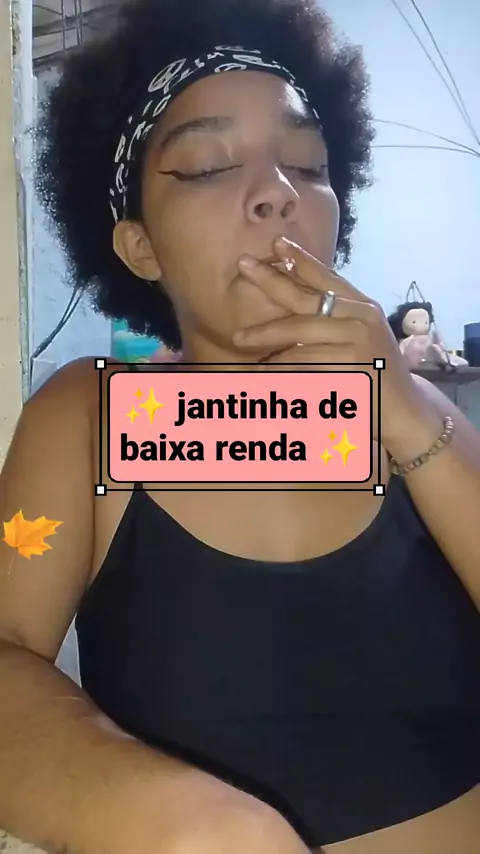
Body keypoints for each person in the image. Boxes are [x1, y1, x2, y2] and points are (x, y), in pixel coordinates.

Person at [1, 0, 479, 852]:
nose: (278, 195)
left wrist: (404, 411)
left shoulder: (420, 420)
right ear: (140, 247)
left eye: (307, 164)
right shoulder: (90, 419)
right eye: (209, 167)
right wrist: (185, 822)